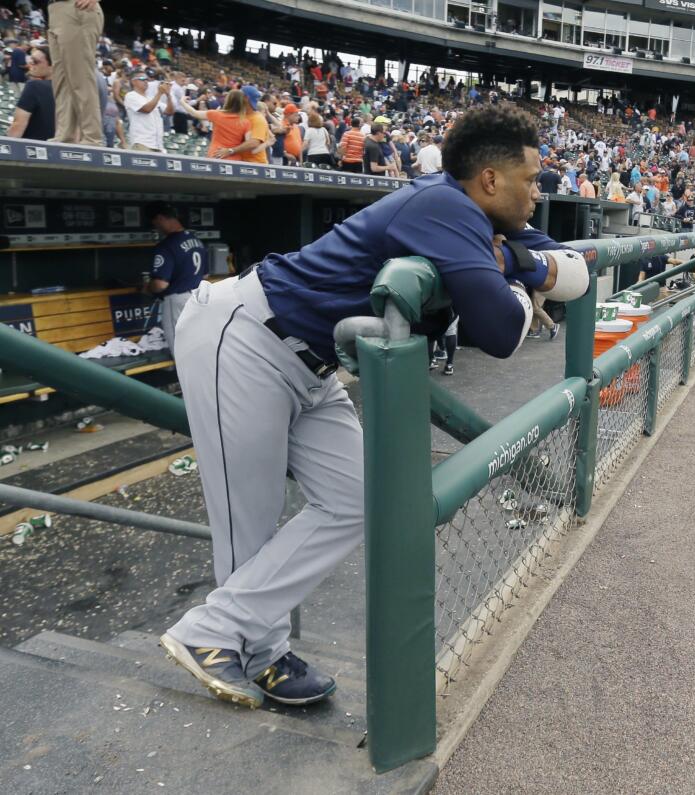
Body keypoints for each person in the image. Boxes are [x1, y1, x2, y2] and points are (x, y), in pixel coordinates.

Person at [156, 104, 591, 709]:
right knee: (247, 521)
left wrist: (516, 261)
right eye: (531, 179)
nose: (539, 193)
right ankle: (244, 645)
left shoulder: (482, 211)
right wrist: (528, 277)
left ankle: (237, 638)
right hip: (246, 336)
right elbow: (499, 331)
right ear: (490, 179)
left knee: (362, 497)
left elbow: (577, 272)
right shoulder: (445, 205)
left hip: (312, 360)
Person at [145, 202, 206, 355]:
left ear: (160, 218)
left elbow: (160, 284)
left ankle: (185, 378)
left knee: (179, 349)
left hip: (177, 300)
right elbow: (205, 275)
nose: (157, 227)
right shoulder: (197, 242)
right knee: (196, 344)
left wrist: (147, 287)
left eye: (156, 223)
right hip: (198, 297)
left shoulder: (167, 245)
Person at [47, 0, 104, 145]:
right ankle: (65, 135)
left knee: (81, 78)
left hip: (76, 8)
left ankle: (92, 137)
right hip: (55, 10)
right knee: (62, 81)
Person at [175, 88, 256, 160]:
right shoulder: (246, 122)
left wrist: (182, 102)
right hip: (234, 160)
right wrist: (231, 150)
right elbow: (249, 144)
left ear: (228, 100)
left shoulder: (216, 114)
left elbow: (194, 113)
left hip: (215, 156)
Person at [7, 45, 54, 140]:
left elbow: (17, 127)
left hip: (30, 149)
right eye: (30, 59)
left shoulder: (34, 86)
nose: (30, 63)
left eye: (36, 62)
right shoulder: (68, 89)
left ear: (52, 66)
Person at [123, 72, 170, 152]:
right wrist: (159, 93)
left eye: (147, 80)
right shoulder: (131, 95)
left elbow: (169, 111)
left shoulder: (151, 98)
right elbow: (147, 109)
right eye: (142, 79)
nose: (145, 81)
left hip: (158, 145)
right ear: (133, 82)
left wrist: (168, 95)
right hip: (142, 143)